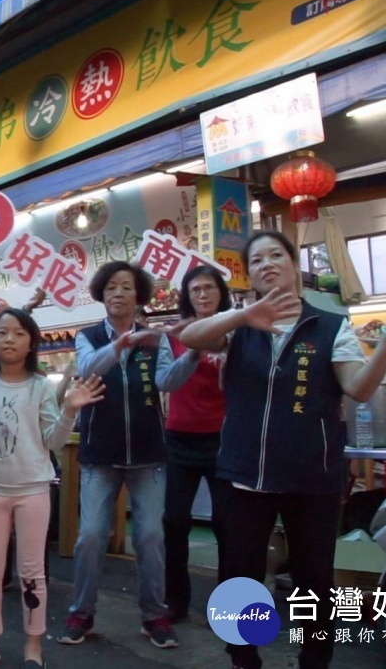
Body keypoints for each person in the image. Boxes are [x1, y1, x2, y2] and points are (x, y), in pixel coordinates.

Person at [180, 231, 386, 669]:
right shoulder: (237, 327)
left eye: (276, 255)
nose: (267, 264)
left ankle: (315, 659)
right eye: (257, 260)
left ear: (293, 267)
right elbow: (191, 337)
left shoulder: (330, 327)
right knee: (239, 576)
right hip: (244, 474)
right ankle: (244, 658)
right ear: (250, 274)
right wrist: (244, 314)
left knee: (314, 581)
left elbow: (358, 389)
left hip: (312, 476)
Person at [0, 309, 104, 669]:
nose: (10, 339)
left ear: (31, 341)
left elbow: (54, 441)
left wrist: (70, 411)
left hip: (34, 491)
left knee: (31, 573)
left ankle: (34, 645)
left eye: (18, 333)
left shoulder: (40, 387)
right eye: (2, 333)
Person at [58, 261, 180, 649]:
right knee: (91, 536)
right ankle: (82, 612)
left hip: (148, 453)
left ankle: (154, 615)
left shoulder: (156, 339)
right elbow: (87, 367)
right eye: (111, 287)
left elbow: (165, 381)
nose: (118, 293)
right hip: (99, 454)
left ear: (138, 296)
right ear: (101, 294)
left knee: (149, 536)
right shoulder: (88, 336)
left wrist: (190, 355)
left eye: (126, 287)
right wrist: (120, 345)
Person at [157, 265, 233, 623]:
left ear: (221, 293)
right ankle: (176, 600)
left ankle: (231, 603)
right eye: (195, 289)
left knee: (228, 524)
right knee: (174, 521)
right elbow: (164, 381)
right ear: (186, 297)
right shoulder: (175, 335)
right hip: (179, 438)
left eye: (209, 288)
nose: (202, 294)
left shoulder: (237, 329)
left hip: (225, 439)